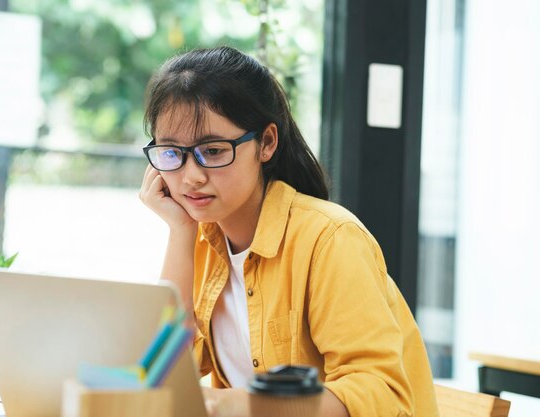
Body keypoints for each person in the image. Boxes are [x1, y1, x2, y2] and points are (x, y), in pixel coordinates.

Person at [139, 46, 439, 417]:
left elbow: (380, 392)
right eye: (171, 153)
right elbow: (163, 373)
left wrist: (238, 404)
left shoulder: (330, 238)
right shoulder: (201, 238)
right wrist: (180, 231)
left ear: (266, 143)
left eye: (213, 151)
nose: (191, 176)